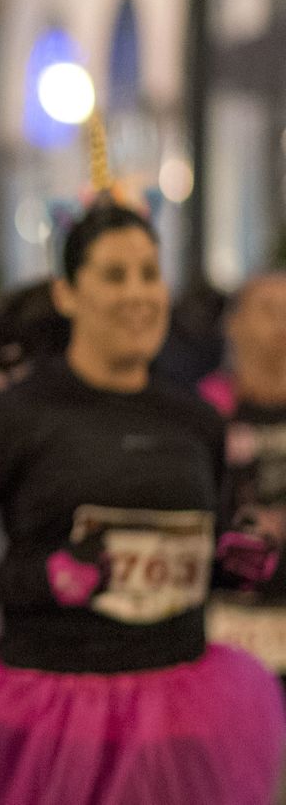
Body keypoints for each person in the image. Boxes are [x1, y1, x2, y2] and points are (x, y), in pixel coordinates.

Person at [0, 201, 286, 805]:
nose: (139, 294)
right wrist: (42, 578)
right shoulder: (17, 416)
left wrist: (245, 557)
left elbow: (212, 554)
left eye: (150, 274)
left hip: (178, 711)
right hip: (51, 712)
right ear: (68, 294)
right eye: (114, 275)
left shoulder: (198, 421)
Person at [203, 272, 286, 694]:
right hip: (232, 617)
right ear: (235, 324)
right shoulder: (208, 409)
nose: (282, 324)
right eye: (268, 311)